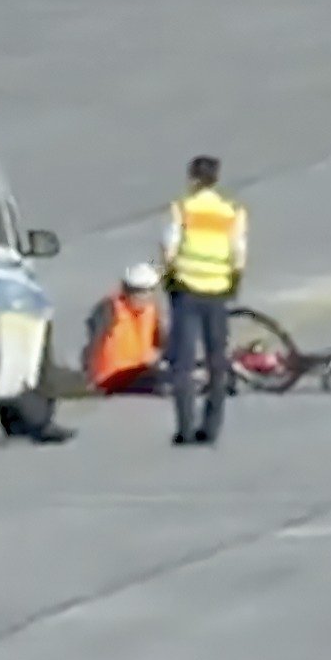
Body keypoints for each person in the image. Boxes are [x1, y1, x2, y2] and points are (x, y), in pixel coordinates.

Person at [161, 155, 248, 445]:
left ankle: (185, 428)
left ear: (192, 178)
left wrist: (169, 277)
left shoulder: (183, 208)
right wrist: (232, 281)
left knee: (183, 364)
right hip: (218, 292)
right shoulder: (232, 211)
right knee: (216, 362)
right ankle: (211, 428)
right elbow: (239, 252)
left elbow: (169, 248)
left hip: (187, 289)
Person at [83, 262, 169, 395]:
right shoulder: (109, 309)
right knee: (166, 383)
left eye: (147, 292)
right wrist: (89, 375)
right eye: (138, 292)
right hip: (111, 376)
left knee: (178, 376)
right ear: (127, 290)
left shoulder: (151, 310)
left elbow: (162, 343)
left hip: (141, 370)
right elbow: (94, 341)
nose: (143, 298)